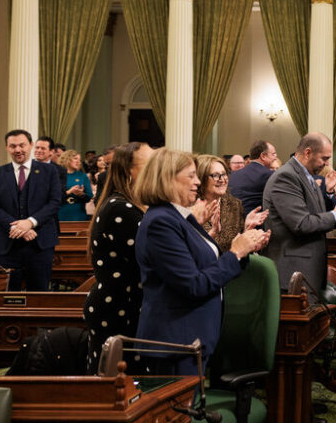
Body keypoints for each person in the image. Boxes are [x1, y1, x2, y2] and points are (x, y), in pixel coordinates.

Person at [133, 149, 270, 375]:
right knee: (179, 409)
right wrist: (235, 253)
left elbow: (206, 264)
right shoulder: (162, 222)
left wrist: (244, 250)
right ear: (167, 179)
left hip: (190, 337)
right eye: (191, 176)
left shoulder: (178, 217)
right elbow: (193, 284)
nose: (198, 182)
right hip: (175, 341)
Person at [262, 133, 336, 300]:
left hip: (308, 271)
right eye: (324, 158)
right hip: (293, 271)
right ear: (308, 152)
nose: (327, 163)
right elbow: (302, 224)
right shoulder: (286, 177)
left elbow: (318, 217)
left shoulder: (305, 176)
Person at [84, 142, 153, 373]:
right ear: (129, 172)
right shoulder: (120, 209)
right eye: (150, 164)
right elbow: (151, 257)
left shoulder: (133, 205)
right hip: (117, 308)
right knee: (114, 386)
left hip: (127, 305)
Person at [0, 130, 62, 291]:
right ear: (7, 148)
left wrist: (30, 222)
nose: (18, 150)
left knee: (39, 296)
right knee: (5, 298)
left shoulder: (50, 172)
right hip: (5, 245)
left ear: (31, 145)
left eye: (22, 145)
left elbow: (54, 203)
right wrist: (18, 227)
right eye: (13, 146)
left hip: (40, 244)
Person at [195, 155, 269, 253]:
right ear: (202, 178)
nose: (222, 180)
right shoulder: (192, 208)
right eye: (216, 175)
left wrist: (247, 229)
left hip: (231, 264)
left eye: (224, 174)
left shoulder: (234, 205)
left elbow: (238, 245)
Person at [228, 140, 277, 215]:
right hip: (254, 223)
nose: (275, 157)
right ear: (263, 156)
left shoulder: (234, 174)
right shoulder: (269, 175)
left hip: (233, 221)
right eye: (273, 154)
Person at [58, 149, 93, 221]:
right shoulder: (57, 175)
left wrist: (81, 194)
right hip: (60, 214)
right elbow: (53, 197)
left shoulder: (83, 176)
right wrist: (69, 191)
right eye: (75, 158)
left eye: (79, 160)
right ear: (67, 159)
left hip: (79, 215)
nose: (78, 162)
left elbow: (89, 196)